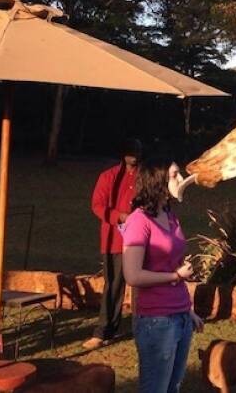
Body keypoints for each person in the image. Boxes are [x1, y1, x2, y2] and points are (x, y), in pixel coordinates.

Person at [122, 157, 204, 393]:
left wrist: (188, 311)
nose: (181, 179)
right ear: (157, 181)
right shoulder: (139, 221)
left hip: (181, 315)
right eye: (174, 175)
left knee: (173, 387)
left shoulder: (169, 215)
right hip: (156, 321)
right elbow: (132, 275)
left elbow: (170, 263)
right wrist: (175, 276)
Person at [83, 138, 143, 350]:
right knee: (113, 286)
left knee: (140, 285)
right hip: (115, 239)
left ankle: (141, 328)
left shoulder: (145, 177)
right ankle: (104, 331)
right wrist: (120, 216)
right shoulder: (108, 177)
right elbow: (97, 205)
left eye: (137, 151)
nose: (133, 155)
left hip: (140, 239)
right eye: (130, 151)